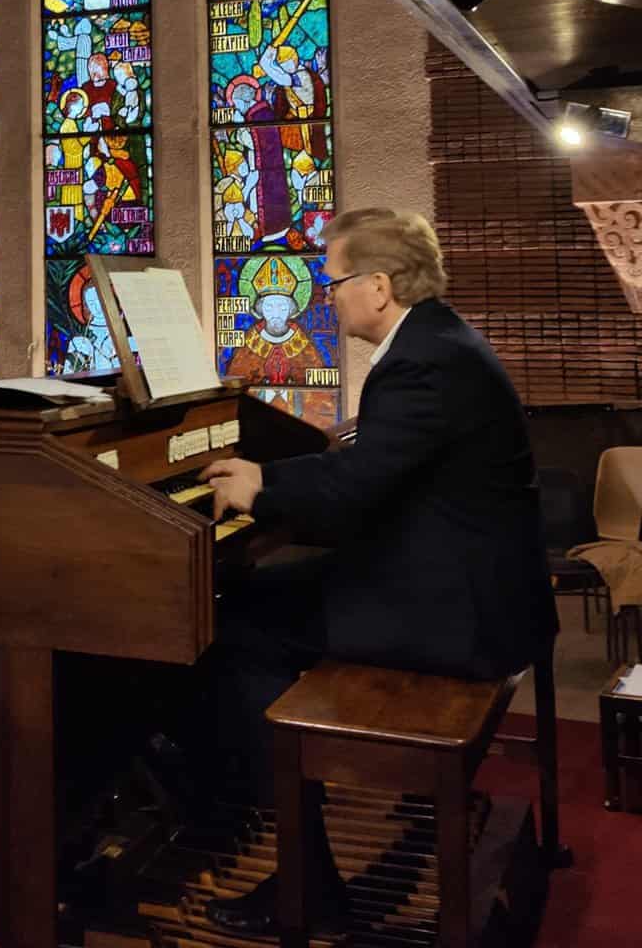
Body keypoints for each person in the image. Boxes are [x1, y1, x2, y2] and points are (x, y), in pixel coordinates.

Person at [196, 207, 557, 935]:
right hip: (464, 583)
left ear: (380, 286)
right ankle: (251, 800)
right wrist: (273, 479)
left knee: (224, 631)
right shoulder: (437, 342)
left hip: (455, 614)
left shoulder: (423, 362)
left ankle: (305, 880)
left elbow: (357, 489)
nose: (329, 298)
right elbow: (372, 467)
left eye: (334, 283)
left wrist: (261, 487)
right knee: (254, 595)